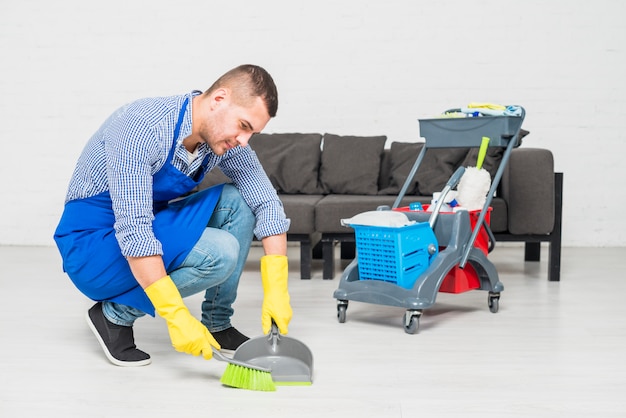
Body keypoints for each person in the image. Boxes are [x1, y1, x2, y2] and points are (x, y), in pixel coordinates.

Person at [54, 64, 292, 367]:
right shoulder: (141, 126)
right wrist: (176, 315)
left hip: (148, 222)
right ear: (219, 99)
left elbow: (265, 202)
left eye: (252, 133)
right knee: (220, 252)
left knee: (239, 200)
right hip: (93, 245)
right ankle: (114, 315)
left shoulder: (219, 137)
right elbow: (135, 230)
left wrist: (277, 288)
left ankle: (218, 323)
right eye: (243, 126)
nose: (244, 140)